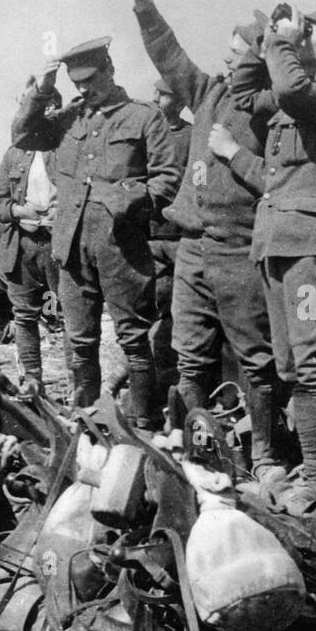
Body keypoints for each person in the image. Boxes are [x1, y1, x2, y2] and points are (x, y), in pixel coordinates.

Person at [113, 0, 285, 481]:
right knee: (189, 354)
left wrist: (233, 155)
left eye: (235, 57)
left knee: (255, 358)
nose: (225, 64)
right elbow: (168, 53)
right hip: (191, 248)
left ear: (258, 63)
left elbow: (279, 183)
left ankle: (267, 458)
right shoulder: (207, 93)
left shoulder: (273, 114)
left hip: (237, 251)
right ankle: (193, 446)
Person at [210, 0, 316, 513]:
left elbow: (286, 87)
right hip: (276, 244)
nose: (304, 37)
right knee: (291, 370)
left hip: (311, 249)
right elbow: (243, 92)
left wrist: (282, 40)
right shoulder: (294, 97)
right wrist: (264, 41)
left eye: (313, 31)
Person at [11, 37, 180, 420]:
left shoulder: (143, 117)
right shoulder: (70, 118)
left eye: (90, 79)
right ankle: (86, 419)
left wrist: (119, 201)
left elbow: (167, 180)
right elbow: (23, 136)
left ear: (109, 69)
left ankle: (144, 421)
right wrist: (43, 91)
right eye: (76, 83)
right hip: (71, 245)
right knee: (80, 341)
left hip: (122, 247)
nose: (84, 88)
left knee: (134, 341)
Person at [0, 86, 66, 393]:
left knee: (71, 318)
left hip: (60, 244)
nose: (43, 114)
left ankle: (79, 388)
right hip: (21, 246)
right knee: (24, 316)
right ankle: (31, 380)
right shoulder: (14, 154)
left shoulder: (66, 148)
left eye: (50, 107)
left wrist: (63, 212)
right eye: (35, 108)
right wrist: (18, 210)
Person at [148, 77, 191, 412]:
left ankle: (182, 388)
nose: (157, 99)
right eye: (157, 94)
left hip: (181, 237)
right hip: (150, 236)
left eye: (163, 95)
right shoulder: (146, 134)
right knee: (157, 310)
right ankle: (161, 385)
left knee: (184, 312)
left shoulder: (192, 136)